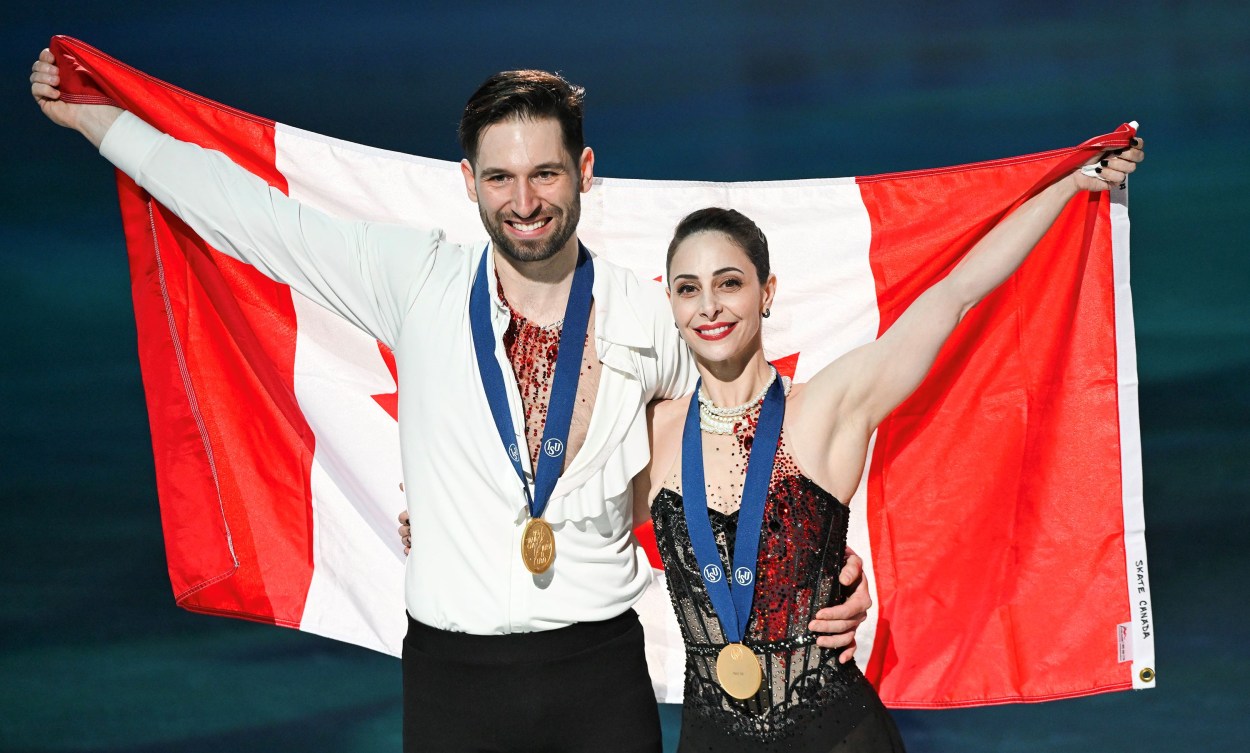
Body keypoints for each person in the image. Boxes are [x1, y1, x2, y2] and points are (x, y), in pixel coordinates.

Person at [30, 49, 871, 752]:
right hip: (451, 681)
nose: (525, 201)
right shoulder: (415, 280)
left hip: (601, 674)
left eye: (545, 172)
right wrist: (104, 123)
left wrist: (821, 571)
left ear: (583, 171)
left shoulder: (653, 316)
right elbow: (251, 217)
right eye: (500, 177)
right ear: (467, 181)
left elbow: (738, 448)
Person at [633, 137, 1141, 751]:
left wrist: (1068, 185)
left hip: (839, 736)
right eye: (688, 288)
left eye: (729, 282)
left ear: (766, 293)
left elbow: (954, 298)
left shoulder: (825, 408)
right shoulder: (652, 429)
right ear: (671, 303)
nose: (709, 305)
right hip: (709, 739)